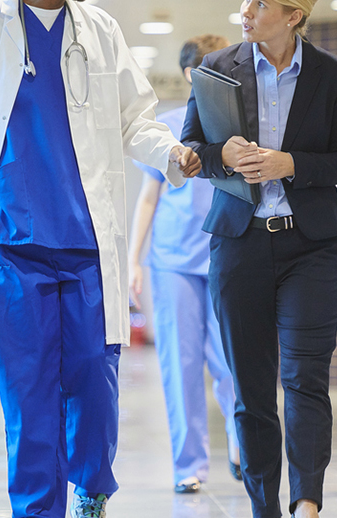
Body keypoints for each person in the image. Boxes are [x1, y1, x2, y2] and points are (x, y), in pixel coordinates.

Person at [0, 0, 201, 518]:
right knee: (30, 397)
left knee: (96, 389)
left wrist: (174, 153)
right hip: (12, 245)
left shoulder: (99, 29)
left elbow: (135, 122)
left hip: (85, 245)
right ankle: (37, 512)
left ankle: (91, 489)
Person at [181, 0, 337, 518]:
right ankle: (264, 507)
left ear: (294, 14)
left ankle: (307, 503)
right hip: (239, 245)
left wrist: (291, 163)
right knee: (252, 390)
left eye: (259, 4)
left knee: (305, 379)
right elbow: (191, 151)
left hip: (311, 246)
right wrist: (222, 156)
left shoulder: (331, 74)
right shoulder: (216, 68)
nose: (246, 12)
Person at [127, 34, 240, 495]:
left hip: (227, 258)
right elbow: (148, 199)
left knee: (233, 361)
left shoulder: (239, 126)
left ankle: (241, 445)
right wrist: (134, 261)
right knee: (181, 363)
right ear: (193, 74)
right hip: (173, 262)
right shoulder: (167, 128)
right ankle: (188, 465)